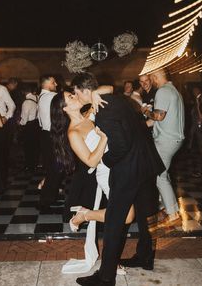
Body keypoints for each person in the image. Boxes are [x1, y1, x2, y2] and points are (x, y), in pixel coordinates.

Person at [71, 73, 165, 286]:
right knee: (145, 216)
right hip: (146, 163)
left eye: (77, 93)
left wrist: (106, 159)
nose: (77, 96)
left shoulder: (104, 111)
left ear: (86, 91)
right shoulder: (117, 99)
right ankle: (145, 257)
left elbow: (120, 147)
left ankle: (105, 277)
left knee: (113, 222)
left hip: (128, 170)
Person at [50, 88, 134, 275]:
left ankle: (111, 260)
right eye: (70, 97)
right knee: (126, 216)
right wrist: (104, 139)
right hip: (106, 173)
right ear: (64, 109)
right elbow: (91, 161)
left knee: (120, 219)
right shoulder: (73, 132)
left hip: (119, 169)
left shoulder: (89, 114)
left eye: (73, 93)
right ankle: (84, 216)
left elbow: (110, 88)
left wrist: (95, 93)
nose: (75, 96)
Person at [142, 69, 185, 225]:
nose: (151, 82)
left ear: (155, 77)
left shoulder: (163, 91)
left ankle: (173, 214)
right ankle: (168, 208)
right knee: (162, 175)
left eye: (151, 78)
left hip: (166, 140)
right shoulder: (174, 91)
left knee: (159, 176)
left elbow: (158, 116)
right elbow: (159, 120)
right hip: (174, 139)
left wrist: (146, 111)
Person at [37, 74, 58, 211]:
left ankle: (49, 195)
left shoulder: (41, 96)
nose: (56, 84)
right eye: (53, 82)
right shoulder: (51, 96)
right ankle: (47, 199)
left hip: (45, 135)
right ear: (47, 84)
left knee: (53, 167)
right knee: (55, 167)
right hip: (52, 136)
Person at [19, 83, 40, 171]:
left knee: (28, 146)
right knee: (35, 145)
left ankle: (29, 165)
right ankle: (35, 164)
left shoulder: (26, 102)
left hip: (29, 126)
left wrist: (20, 124)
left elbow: (24, 118)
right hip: (37, 124)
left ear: (23, 92)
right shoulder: (38, 97)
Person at [188, 86, 202, 177]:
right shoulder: (197, 99)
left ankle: (201, 171)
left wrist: (198, 107)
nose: (194, 92)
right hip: (199, 127)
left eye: (195, 91)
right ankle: (200, 171)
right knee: (201, 149)